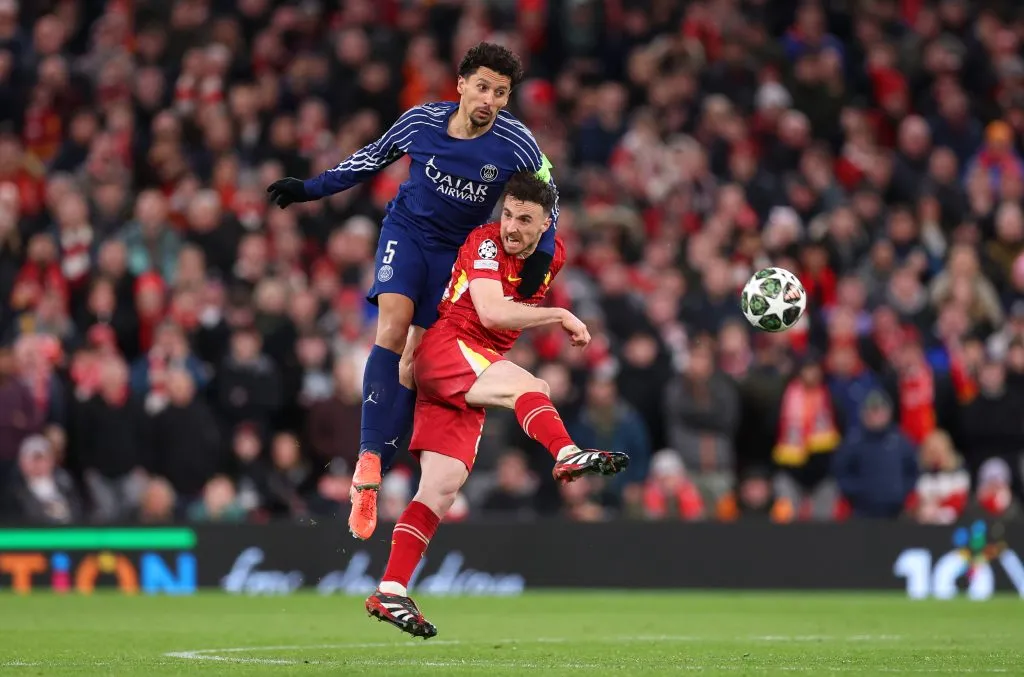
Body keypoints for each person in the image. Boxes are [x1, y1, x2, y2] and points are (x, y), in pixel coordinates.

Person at [266, 43, 560, 540]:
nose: (489, 99)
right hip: (406, 234)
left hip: (455, 255)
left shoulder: (517, 142)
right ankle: (367, 461)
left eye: (501, 92)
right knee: (393, 327)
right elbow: (370, 159)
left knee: (415, 361)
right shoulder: (422, 121)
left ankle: (376, 471)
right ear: (462, 84)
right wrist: (310, 189)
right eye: (482, 86)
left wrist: (545, 256)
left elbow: (551, 199)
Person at [364, 173, 628, 638]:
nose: (511, 226)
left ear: (546, 223)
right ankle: (567, 453)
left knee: (441, 490)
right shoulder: (484, 242)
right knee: (532, 386)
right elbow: (491, 312)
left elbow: (520, 295)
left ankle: (391, 588)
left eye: (525, 219)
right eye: (508, 214)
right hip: (450, 347)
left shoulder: (553, 256)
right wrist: (560, 314)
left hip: (470, 366)